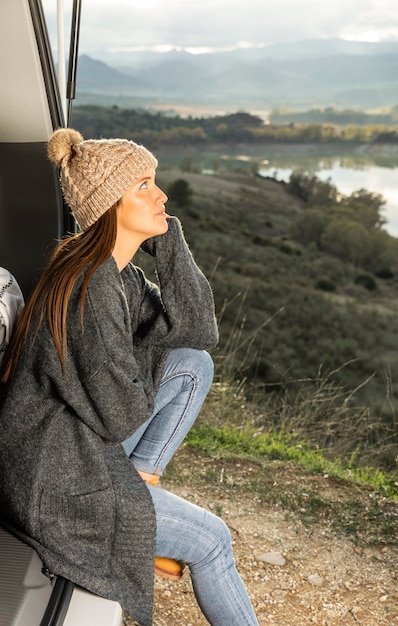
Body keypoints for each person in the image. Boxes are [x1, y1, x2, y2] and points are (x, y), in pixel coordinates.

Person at [0, 128, 259, 626]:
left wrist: (171, 243)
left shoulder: (119, 276)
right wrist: (140, 363)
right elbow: (120, 413)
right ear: (109, 205)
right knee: (212, 541)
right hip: (55, 485)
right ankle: (137, 500)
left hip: (77, 449)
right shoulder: (89, 287)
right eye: (143, 184)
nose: (161, 195)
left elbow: (197, 333)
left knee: (190, 363)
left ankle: (140, 482)